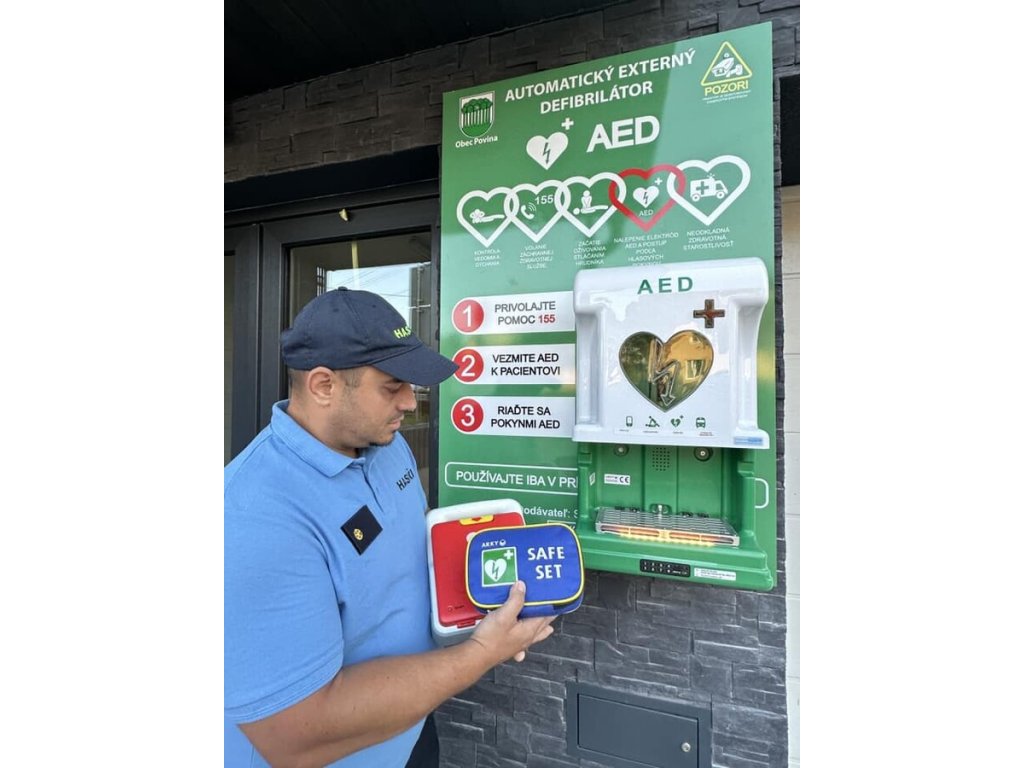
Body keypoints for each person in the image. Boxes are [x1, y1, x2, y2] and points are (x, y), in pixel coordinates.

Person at [225, 287, 556, 768]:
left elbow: (403, 554)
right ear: (323, 386)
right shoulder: (253, 516)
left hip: (410, 727)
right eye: (392, 386)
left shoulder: (384, 444)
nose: (410, 403)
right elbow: (294, 736)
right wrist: (482, 652)